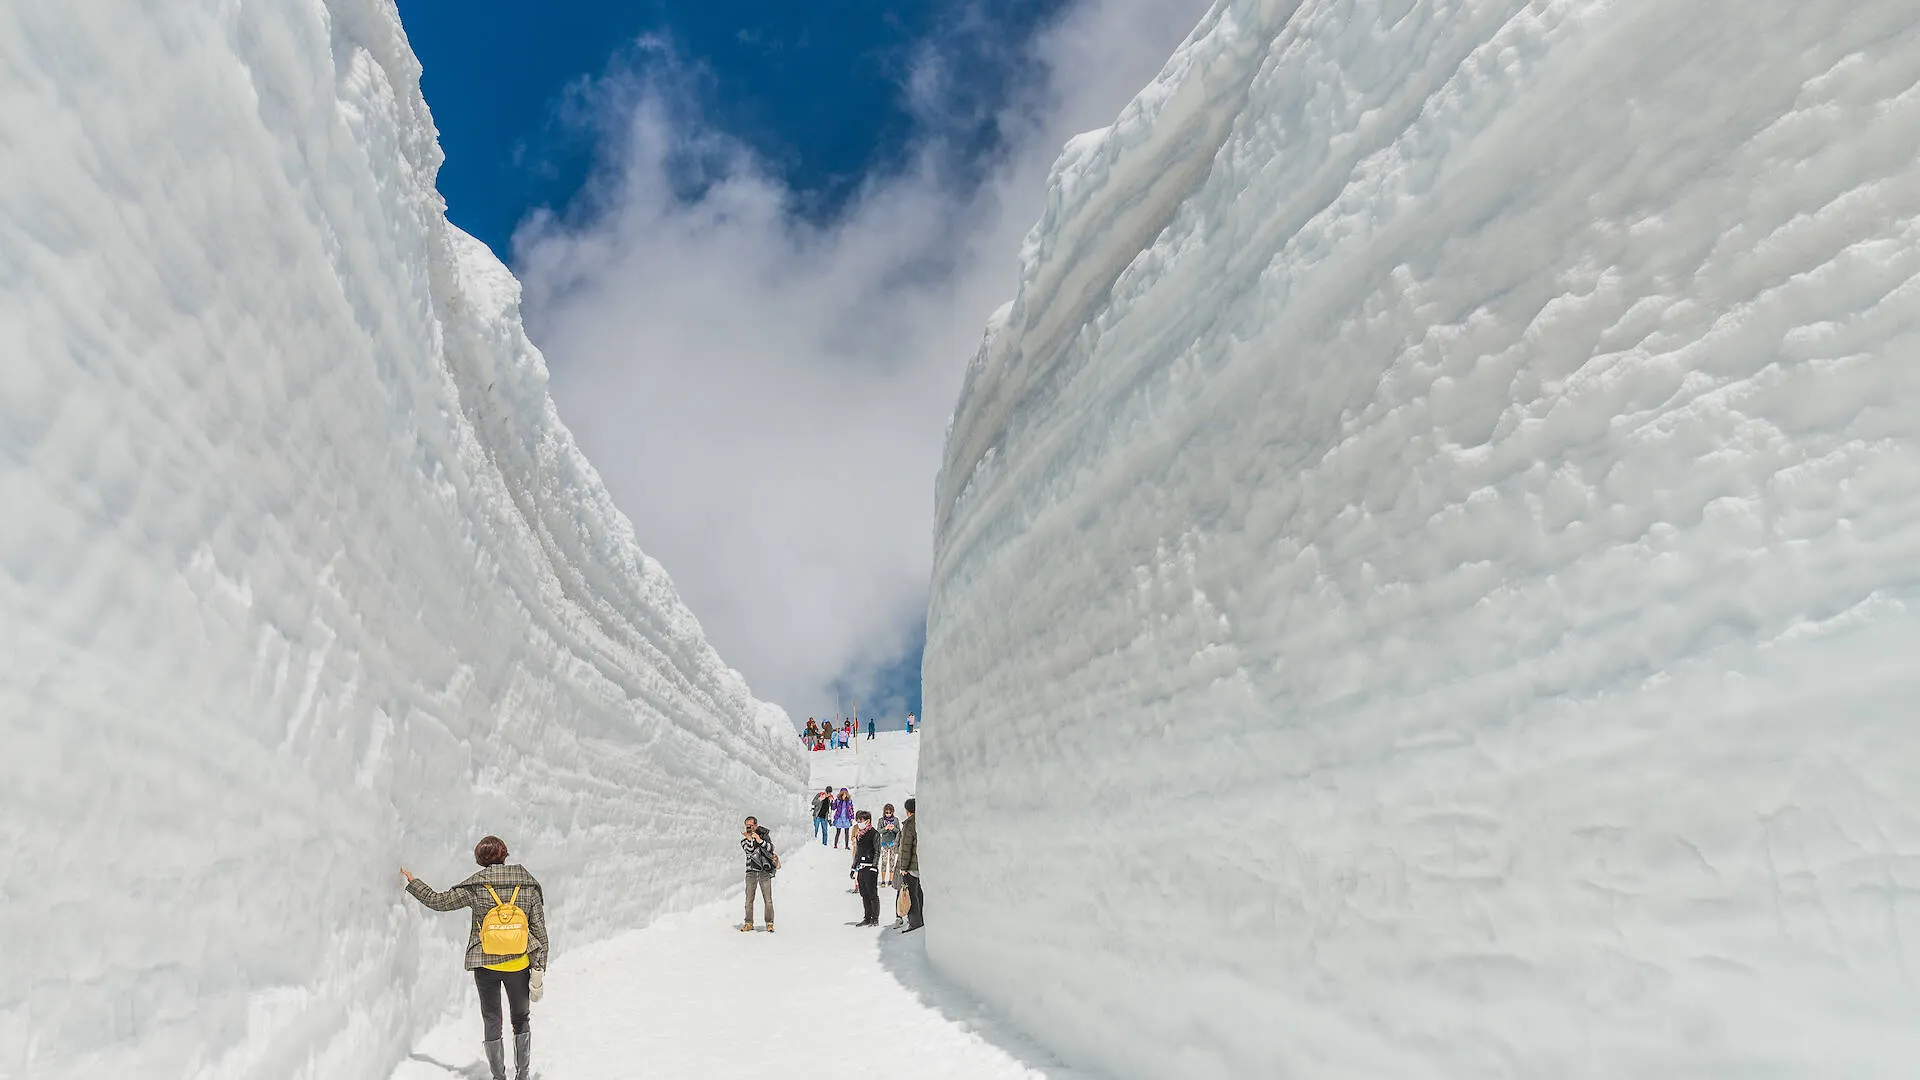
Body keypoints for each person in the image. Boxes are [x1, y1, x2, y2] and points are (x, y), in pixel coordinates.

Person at [401, 836, 549, 1080]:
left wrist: (413, 882)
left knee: (492, 1019)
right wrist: (539, 970)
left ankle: (498, 1077)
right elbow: (540, 933)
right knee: (521, 1019)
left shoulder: (476, 885)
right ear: (505, 854)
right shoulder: (527, 884)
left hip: (485, 962)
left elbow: (439, 901)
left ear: (480, 859)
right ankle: (522, 1076)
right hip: (519, 964)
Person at [740, 817, 780, 932]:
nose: (749, 827)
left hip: (764, 871)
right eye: (747, 825)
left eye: (751, 825)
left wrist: (759, 840)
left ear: (756, 826)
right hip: (751, 872)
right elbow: (750, 851)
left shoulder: (763, 837)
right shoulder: (743, 841)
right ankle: (748, 923)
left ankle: (769, 923)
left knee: (768, 899)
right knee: (749, 900)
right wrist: (749, 839)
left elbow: (771, 848)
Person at [851, 810, 880, 925]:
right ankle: (867, 917)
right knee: (864, 894)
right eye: (857, 820)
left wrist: (874, 866)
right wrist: (854, 868)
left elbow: (878, 851)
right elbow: (858, 853)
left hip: (870, 867)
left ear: (867, 821)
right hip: (862, 868)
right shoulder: (859, 835)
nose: (859, 822)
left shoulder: (874, 833)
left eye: (861, 820)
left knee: (872, 894)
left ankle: (875, 918)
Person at [898, 798, 923, 932]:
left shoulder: (909, 824)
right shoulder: (923, 820)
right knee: (920, 893)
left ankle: (914, 922)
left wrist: (903, 867)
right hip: (922, 864)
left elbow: (906, 848)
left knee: (911, 895)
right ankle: (922, 919)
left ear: (907, 811)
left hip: (912, 867)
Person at [876, 804, 901, 889]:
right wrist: (886, 828)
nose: (888, 814)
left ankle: (890, 880)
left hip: (893, 844)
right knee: (884, 862)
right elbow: (878, 831)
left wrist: (893, 828)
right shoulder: (881, 820)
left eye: (890, 812)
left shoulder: (896, 820)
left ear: (892, 812)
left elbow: (899, 831)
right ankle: (883, 880)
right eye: (886, 812)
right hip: (884, 844)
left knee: (892, 862)